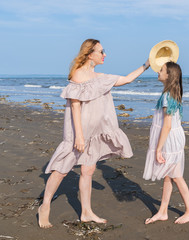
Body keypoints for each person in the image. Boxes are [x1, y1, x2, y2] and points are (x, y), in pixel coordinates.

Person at [38, 39, 150, 228]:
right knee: (62, 170)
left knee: (88, 170)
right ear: (90, 54)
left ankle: (86, 212)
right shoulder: (78, 74)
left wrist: (147, 64)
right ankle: (45, 206)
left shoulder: (101, 77)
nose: (104, 54)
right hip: (78, 132)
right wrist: (79, 137)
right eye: (101, 51)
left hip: (96, 132)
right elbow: (75, 107)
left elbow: (127, 79)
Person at [143, 61, 189, 224]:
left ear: (169, 76)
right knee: (169, 176)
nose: (158, 72)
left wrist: (158, 149)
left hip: (171, 140)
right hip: (174, 138)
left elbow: (166, 125)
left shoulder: (167, 96)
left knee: (176, 176)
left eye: (161, 70)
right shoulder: (170, 93)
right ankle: (163, 211)